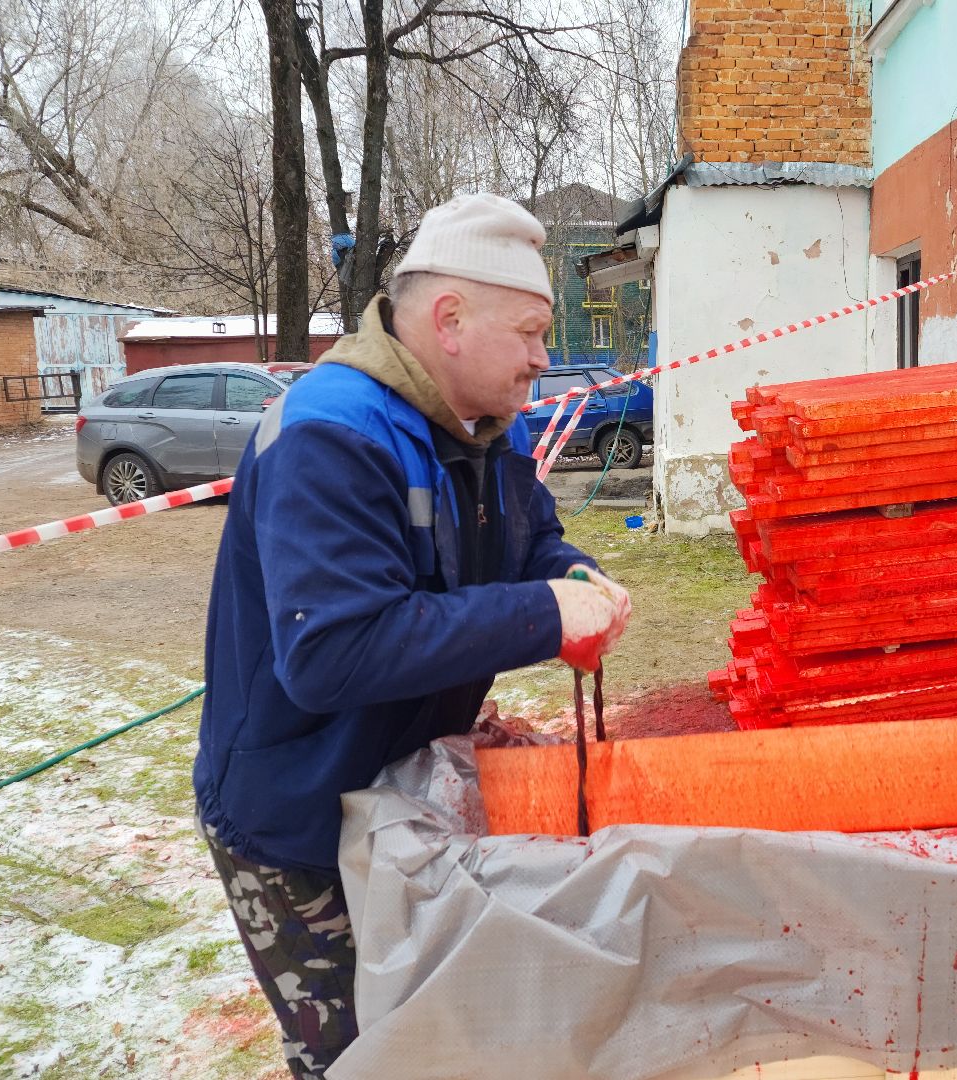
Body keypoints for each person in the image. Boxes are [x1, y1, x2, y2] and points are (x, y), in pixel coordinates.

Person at [193, 193, 631, 1078]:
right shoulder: (330, 433)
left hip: (405, 796)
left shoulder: (486, 427)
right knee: (360, 1055)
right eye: (533, 332)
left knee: (437, 1038)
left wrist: (571, 573)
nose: (545, 360)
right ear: (450, 318)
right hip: (301, 822)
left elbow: (530, 541)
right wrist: (544, 614)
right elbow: (334, 652)